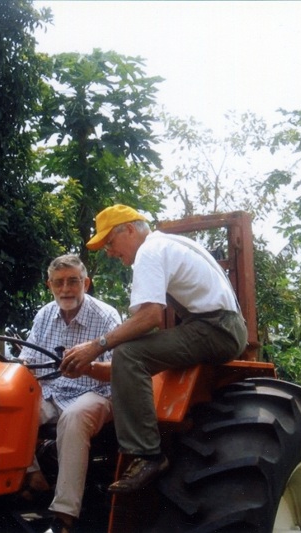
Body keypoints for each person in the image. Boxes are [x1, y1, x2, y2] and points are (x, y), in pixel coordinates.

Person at [60, 205, 248, 494]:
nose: (109, 252)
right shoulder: (169, 243)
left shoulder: (149, 251)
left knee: (128, 353)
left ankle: (147, 454)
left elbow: (149, 319)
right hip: (221, 325)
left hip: (215, 328)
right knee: (131, 356)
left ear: (131, 230)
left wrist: (96, 346)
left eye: (110, 242)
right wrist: (96, 365)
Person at [18, 254, 121, 533]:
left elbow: (118, 370)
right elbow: (27, 361)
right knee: (11, 405)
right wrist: (8, 366)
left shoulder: (106, 316)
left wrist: (87, 368)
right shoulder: (44, 315)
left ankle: (64, 517)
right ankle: (33, 475)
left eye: (73, 281)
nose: (66, 289)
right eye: (59, 283)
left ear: (86, 283)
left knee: (74, 417)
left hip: (97, 391)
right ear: (49, 285)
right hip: (53, 390)